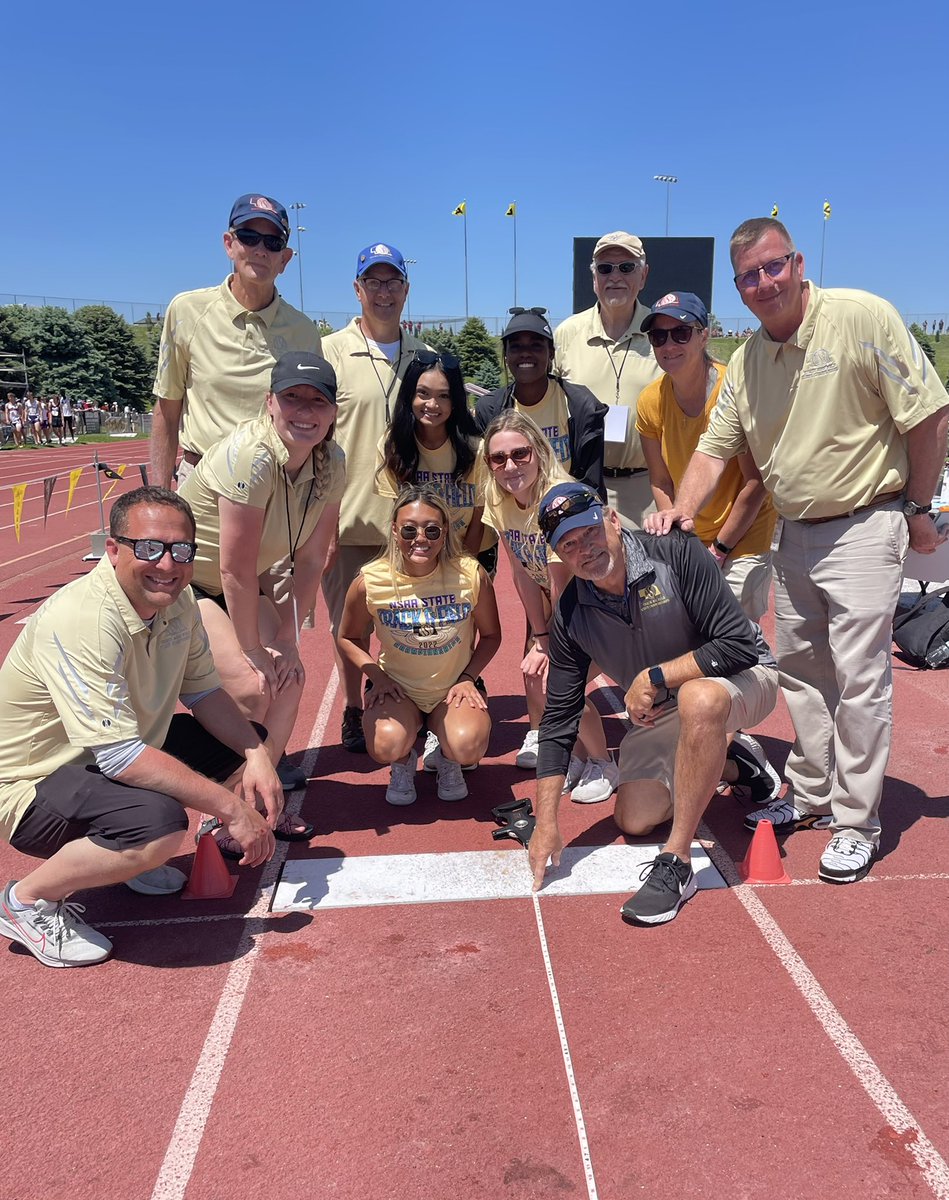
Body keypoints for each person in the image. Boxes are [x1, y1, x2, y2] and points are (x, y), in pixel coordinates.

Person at [648, 216, 949, 884]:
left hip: (865, 523)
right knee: (802, 675)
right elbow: (713, 448)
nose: (763, 284)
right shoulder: (751, 360)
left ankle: (856, 822)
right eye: (748, 277)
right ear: (737, 287)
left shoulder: (861, 318)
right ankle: (811, 795)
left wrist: (919, 507)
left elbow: (928, 414)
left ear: (798, 261)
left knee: (859, 677)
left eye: (772, 266)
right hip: (794, 534)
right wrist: (681, 511)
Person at [0, 487, 279, 968]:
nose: (167, 564)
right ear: (113, 549)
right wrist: (232, 808)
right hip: (34, 784)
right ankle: (25, 901)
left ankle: (123, 860)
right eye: (149, 548)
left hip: (104, 755)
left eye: (181, 550)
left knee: (242, 740)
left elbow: (205, 693)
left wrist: (257, 755)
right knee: (158, 825)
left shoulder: (180, 600)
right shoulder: (85, 618)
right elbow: (119, 756)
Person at [529, 482, 778, 924]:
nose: (585, 549)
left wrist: (656, 676)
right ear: (558, 556)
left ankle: (677, 864)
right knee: (635, 818)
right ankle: (734, 764)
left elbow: (739, 644)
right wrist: (546, 820)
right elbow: (559, 719)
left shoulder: (676, 552)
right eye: (569, 545)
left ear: (610, 518)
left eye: (588, 531)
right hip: (666, 706)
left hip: (741, 676)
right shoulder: (570, 614)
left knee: (701, 699)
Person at [178, 352, 345, 838]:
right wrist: (254, 650)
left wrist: (289, 642)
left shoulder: (332, 460)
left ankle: (259, 803)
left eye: (319, 401)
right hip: (188, 585)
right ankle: (225, 811)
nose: (306, 411)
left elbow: (313, 559)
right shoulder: (250, 454)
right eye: (292, 397)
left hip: (241, 584)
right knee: (253, 686)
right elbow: (230, 566)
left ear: (334, 412)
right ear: (269, 402)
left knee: (290, 677)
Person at [321, 243, 429, 753]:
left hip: (412, 525)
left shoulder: (423, 358)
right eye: (374, 282)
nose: (384, 292)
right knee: (352, 630)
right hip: (347, 520)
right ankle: (351, 707)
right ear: (357, 289)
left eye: (393, 283)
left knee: (415, 624)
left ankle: (417, 706)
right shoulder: (330, 351)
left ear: (406, 290)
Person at [482, 411, 617, 802]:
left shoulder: (560, 499)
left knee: (559, 680)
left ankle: (603, 762)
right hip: (568, 601)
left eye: (520, 454)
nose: (509, 466)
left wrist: (549, 645)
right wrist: (538, 637)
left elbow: (562, 584)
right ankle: (573, 754)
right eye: (498, 458)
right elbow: (523, 572)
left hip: (604, 602)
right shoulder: (498, 497)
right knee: (532, 673)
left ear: (538, 451)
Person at [336, 486, 501, 805]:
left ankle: (448, 757)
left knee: (468, 747)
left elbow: (492, 636)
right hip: (397, 689)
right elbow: (347, 637)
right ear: (395, 531)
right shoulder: (370, 580)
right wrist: (378, 677)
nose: (420, 538)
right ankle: (403, 761)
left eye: (431, 529)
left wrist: (468, 678)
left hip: (453, 688)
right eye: (409, 529)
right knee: (386, 745)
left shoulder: (470, 575)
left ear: (444, 533)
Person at [151, 194, 321, 490]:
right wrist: (158, 494)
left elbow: (319, 420)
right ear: (229, 244)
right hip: (202, 479)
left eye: (272, 242)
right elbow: (167, 409)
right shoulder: (186, 311)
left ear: (285, 258)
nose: (260, 250)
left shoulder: (304, 332)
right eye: (248, 237)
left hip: (274, 485)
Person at [553, 232, 663, 528]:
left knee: (654, 574)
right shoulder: (566, 333)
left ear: (644, 275)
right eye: (605, 268)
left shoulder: (662, 332)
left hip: (649, 489)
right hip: (584, 486)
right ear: (594, 277)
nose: (615, 276)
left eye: (626, 267)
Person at [475, 307, 607, 498]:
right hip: (511, 518)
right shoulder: (490, 410)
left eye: (536, 345)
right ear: (506, 355)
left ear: (551, 353)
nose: (525, 353)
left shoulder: (581, 405)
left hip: (567, 515)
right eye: (516, 346)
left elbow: (591, 485)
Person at [376, 350, 485, 555]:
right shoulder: (392, 445)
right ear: (409, 395)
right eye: (423, 393)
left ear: (455, 402)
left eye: (444, 396)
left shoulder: (476, 449)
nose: (432, 405)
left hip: (471, 552)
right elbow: (398, 515)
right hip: (417, 553)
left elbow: (479, 517)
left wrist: (463, 568)